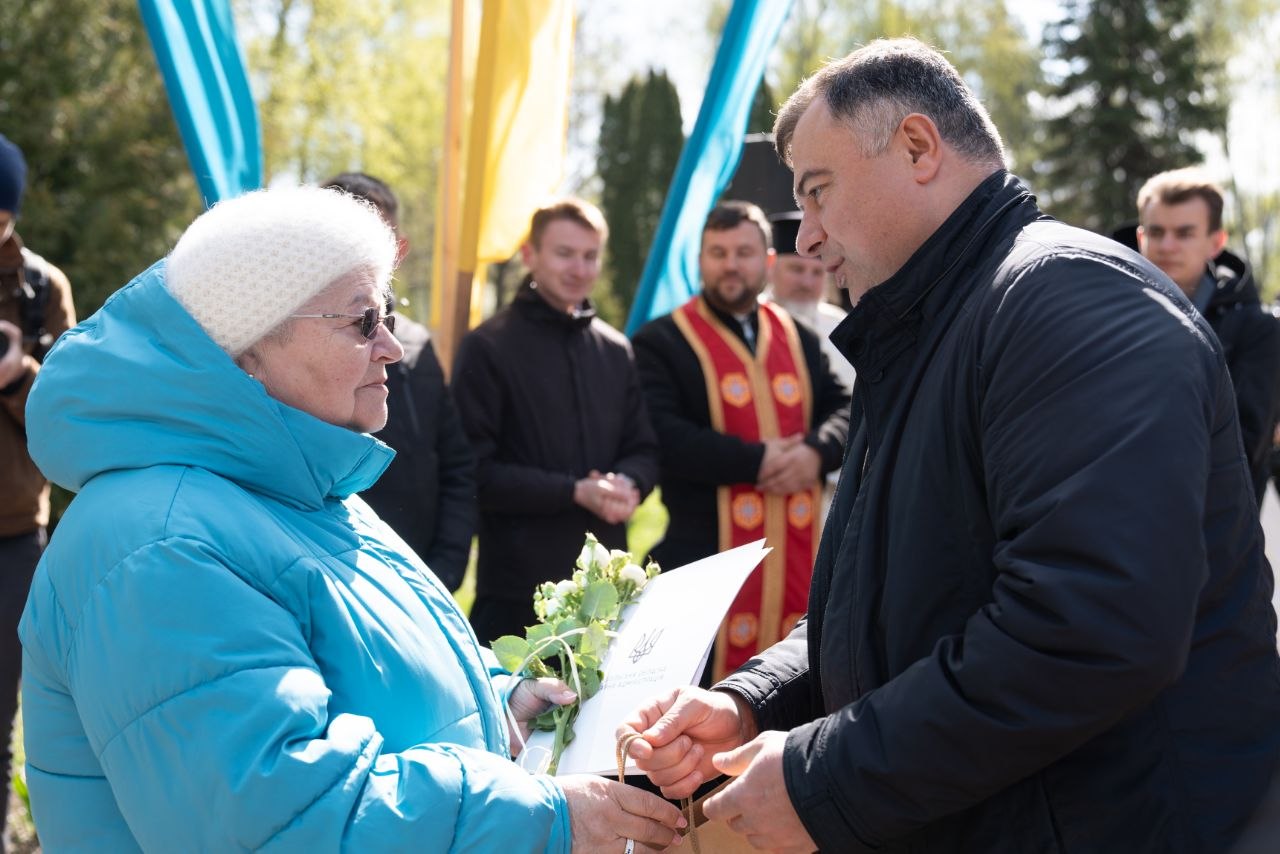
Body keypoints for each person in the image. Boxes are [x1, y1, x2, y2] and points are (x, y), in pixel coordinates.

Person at [620, 38, 1280, 854]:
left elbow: (1087, 630)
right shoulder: (929, 330)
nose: (808, 241)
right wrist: (754, 701)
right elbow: (890, 604)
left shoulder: (1067, 301)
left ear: (918, 147)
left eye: (819, 193)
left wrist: (823, 776)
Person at [18, 187, 685, 852]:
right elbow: (284, 818)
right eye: (364, 322)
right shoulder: (160, 546)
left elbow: (371, 670)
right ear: (247, 353)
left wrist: (501, 702)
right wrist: (541, 817)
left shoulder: (298, 485)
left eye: (388, 313)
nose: (393, 347)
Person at [632, 202, 849, 681]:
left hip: (799, 555)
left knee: (795, 689)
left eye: (744, 252)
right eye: (718, 252)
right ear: (701, 260)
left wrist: (815, 453)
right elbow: (664, 435)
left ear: (767, 262)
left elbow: (849, 410)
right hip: (703, 559)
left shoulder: (799, 338)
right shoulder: (662, 341)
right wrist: (758, 461)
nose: (731, 264)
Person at [452, 199, 659, 645]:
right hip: (516, 593)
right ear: (531, 255)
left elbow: (643, 448)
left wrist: (630, 483)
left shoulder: (615, 349)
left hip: (606, 593)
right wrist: (574, 491)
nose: (579, 269)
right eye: (565, 253)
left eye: (590, 256)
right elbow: (474, 473)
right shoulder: (488, 347)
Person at [321, 172, 476, 590]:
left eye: (375, 241)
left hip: (424, 576)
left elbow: (456, 465)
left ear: (399, 249)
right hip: (338, 575)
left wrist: (446, 565)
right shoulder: (298, 345)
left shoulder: (418, 346)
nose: (385, 349)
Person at [0, 132, 75, 840]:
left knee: (0, 717)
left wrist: (18, 373)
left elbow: (72, 426)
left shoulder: (39, 290)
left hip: (14, 535)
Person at [1135, 168, 1280, 506]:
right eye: (1157, 232)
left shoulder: (1256, 332)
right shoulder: (1106, 316)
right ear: (1141, 237)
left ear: (1216, 242)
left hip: (1210, 542)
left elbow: (1240, 454)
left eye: (1184, 233)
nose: (1167, 245)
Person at [764, 211, 855, 393]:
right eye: (796, 269)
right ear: (771, 266)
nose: (807, 283)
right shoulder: (751, 317)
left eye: (817, 273)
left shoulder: (839, 324)